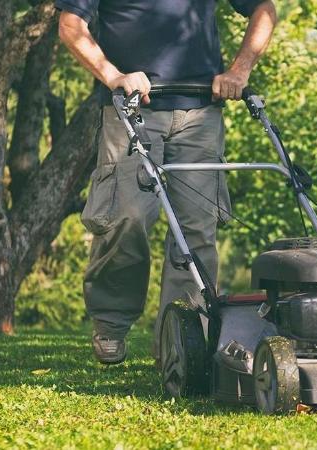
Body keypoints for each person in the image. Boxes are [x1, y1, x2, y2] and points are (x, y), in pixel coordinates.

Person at [56, 0, 277, 364]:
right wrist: (114, 75)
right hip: (131, 109)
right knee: (125, 218)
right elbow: (70, 25)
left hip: (201, 112)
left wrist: (239, 71)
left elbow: (263, 9)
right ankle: (111, 323)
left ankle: (182, 344)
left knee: (197, 231)